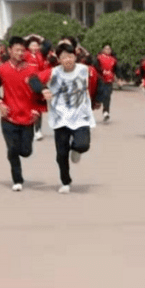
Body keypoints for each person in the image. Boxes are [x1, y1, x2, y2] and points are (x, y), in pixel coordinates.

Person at [29, 41, 101, 194]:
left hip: (81, 116)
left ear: (75, 57)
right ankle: (65, 181)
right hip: (60, 118)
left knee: (83, 145)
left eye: (70, 56)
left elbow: (96, 84)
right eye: (63, 57)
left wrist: (96, 101)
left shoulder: (86, 70)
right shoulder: (53, 72)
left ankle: (76, 150)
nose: (67, 60)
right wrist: (42, 89)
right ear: (59, 60)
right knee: (61, 153)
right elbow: (33, 79)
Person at [0, 36, 43, 192]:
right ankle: (17, 180)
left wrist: (36, 109)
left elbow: (39, 92)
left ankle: (22, 151)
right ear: (10, 50)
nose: (20, 53)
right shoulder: (1, 70)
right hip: (9, 117)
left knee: (25, 151)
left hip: (27, 118)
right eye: (17, 50)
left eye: (22, 50)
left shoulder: (32, 70)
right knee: (12, 149)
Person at [94, 44, 117, 121]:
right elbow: (95, 67)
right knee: (99, 94)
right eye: (106, 49)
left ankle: (106, 111)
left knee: (107, 96)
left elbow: (116, 70)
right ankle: (95, 104)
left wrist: (119, 79)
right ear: (103, 50)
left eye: (109, 49)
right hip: (100, 80)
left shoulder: (113, 59)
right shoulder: (99, 58)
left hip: (109, 80)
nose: (107, 50)